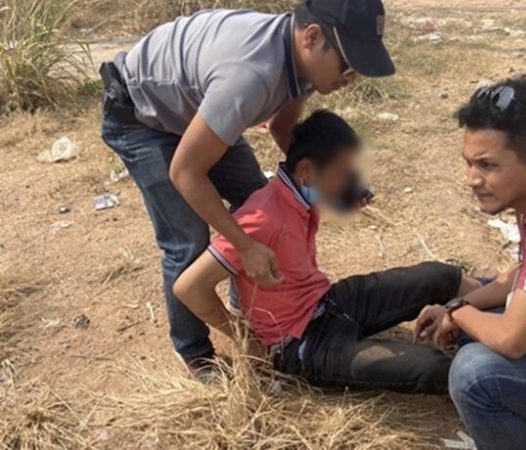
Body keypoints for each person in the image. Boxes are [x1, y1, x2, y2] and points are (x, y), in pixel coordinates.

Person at [100, 0, 396, 374]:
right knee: (187, 241)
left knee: (256, 201)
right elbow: (186, 173)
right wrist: (244, 245)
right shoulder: (251, 77)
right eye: (347, 62)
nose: (350, 77)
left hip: (195, 108)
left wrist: (332, 185)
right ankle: (195, 352)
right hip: (141, 115)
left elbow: (282, 129)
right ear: (312, 37)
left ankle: (251, 307)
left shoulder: (300, 62)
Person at [174, 110, 481, 394]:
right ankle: (493, 372)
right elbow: (189, 288)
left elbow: (324, 184)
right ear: (307, 172)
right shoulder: (261, 218)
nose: (348, 180)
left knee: (440, 276)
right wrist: (245, 338)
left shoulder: (298, 196)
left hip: (327, 303)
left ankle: (495, 317)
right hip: (301, 344)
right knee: (436, 368)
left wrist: (345, 194)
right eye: (343, 172)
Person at [416, 76, 526, 449]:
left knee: (474, 373)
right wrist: (458, 305)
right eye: (468, 163)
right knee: (479, 313)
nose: (472, 179)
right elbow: (524, 273)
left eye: (488, 165)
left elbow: (512, 341)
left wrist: (458, 312)